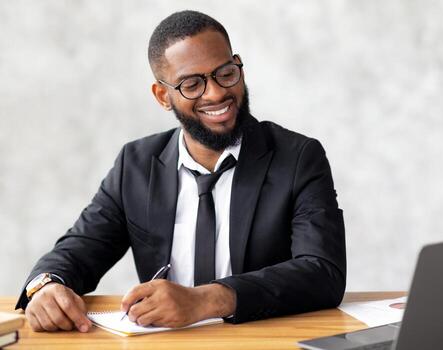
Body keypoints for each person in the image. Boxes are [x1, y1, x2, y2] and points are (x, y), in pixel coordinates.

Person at [16, 10, 346, 333]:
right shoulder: (136, 164)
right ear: (163, 96)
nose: (216, 93)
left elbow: (322, 273)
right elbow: (78, 250)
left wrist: (207, 300)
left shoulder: (299, 157)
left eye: (226, 73)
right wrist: (46, 287)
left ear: (239, 68)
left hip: (263, 340)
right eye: (192, 84)